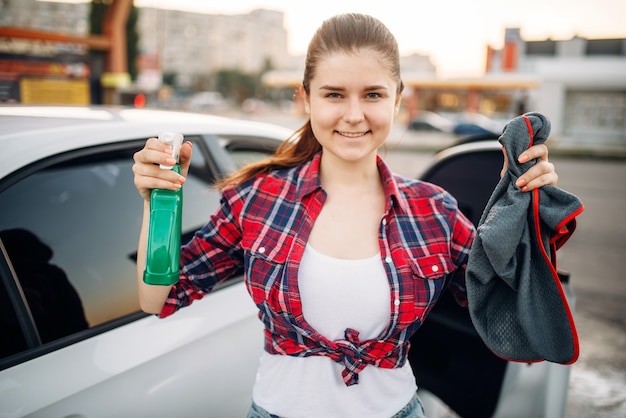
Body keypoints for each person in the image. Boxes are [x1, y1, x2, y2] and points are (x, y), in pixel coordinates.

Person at [132, 13, 558, 418]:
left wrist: (523, 207)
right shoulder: (257, 199)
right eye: (334, 94)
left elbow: (516, 318)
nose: (353, 115)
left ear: (397, 100)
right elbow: (160, 298)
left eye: (372, 94)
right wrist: (158, 202)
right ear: (306, 98)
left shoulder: (435, 211)